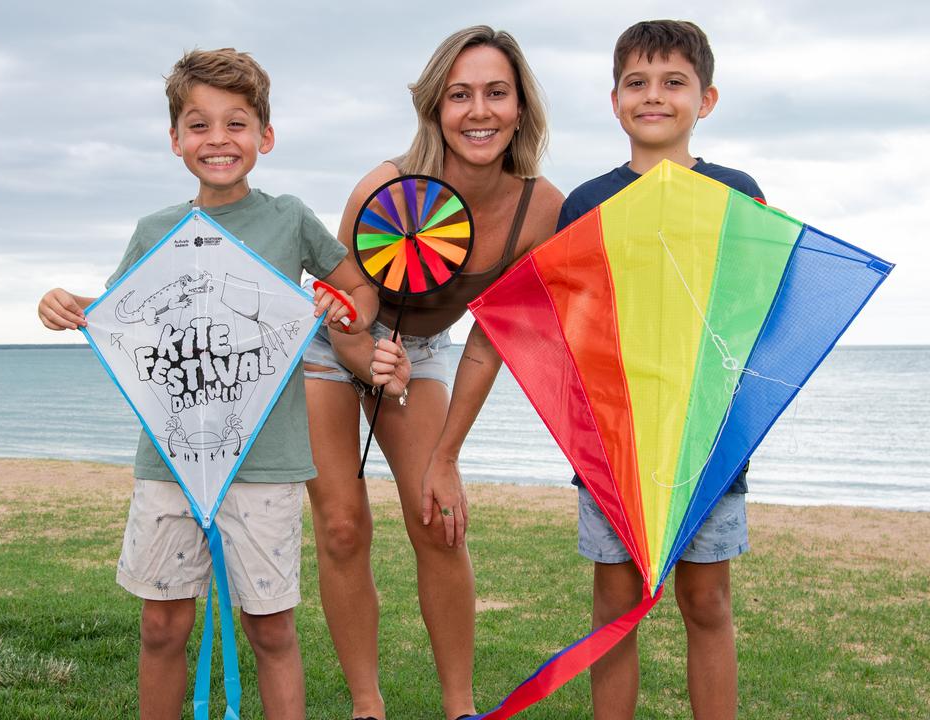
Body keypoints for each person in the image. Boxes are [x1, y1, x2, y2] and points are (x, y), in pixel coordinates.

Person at [37, 48, 376, 720]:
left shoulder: (289, 219)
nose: (218, 139)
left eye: (236, 123)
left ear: (264, 137)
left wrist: (345, 308)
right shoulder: (154, 231)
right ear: (174, 140)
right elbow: (117, 314)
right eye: (199, 125)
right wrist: (65, 303)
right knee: (162, 626)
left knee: (271, 629)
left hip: (269, 462)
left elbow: (359, 291)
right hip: (168, 460)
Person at [302, 27, 563, 720]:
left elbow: (493, 339)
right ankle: (367, 704)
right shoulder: (383, 187)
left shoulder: (542, 211)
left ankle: (460, 710)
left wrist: (446, 456)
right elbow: (341, 299)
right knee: (342, 528)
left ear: (519, 107)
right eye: (460, 95)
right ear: (436, 108)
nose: (479, 111)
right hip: (332, 344)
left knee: (440, 518)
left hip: (423, 351)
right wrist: (362, 357)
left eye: (496, 93)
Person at [556, 20, 759, 720]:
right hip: (616, 446)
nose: (654, 96)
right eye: (637, 83)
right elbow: (568, 329)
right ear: (614, 100)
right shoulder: (585, 203)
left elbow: (752, 309)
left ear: (705, 99)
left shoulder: (737, 192)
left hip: (707, 440)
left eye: (674, 82)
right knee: (617, 607)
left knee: (706, 602)